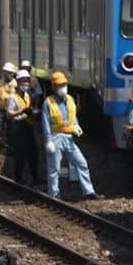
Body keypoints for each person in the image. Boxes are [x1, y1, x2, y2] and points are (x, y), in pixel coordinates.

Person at [42, 71, 99, 200]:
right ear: (53, 87)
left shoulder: (70, 99)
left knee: (81, 163)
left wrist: (76, 126)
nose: (62, 87)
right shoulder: (48, 103)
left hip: (69, 138)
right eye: (59, 85)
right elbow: (45, 124)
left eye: (64, 84)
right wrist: (48, 141)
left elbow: (73, 116)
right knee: (54, 169)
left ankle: (88, 191)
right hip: (55, 138)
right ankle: (54, 195)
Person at [8, 70, 42, 185]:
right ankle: (18, 179)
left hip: (28, 126)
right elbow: (9, 114)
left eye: (27, 81)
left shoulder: (28, 95)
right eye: (23, 81)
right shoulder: (13, 97)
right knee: (20, 155)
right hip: (18, 128)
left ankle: (35, 177)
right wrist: (21, 112)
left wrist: (33, 113)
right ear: (17, 82)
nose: (26, 84)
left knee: (33, 153)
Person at [0, 62, 17, 150]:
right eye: (5, 72)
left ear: (12, 73)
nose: (6, 74)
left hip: (10, 111)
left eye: (8, 72)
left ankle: (7, 146)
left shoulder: (15, 85)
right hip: (0, 109)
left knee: (10, 129)